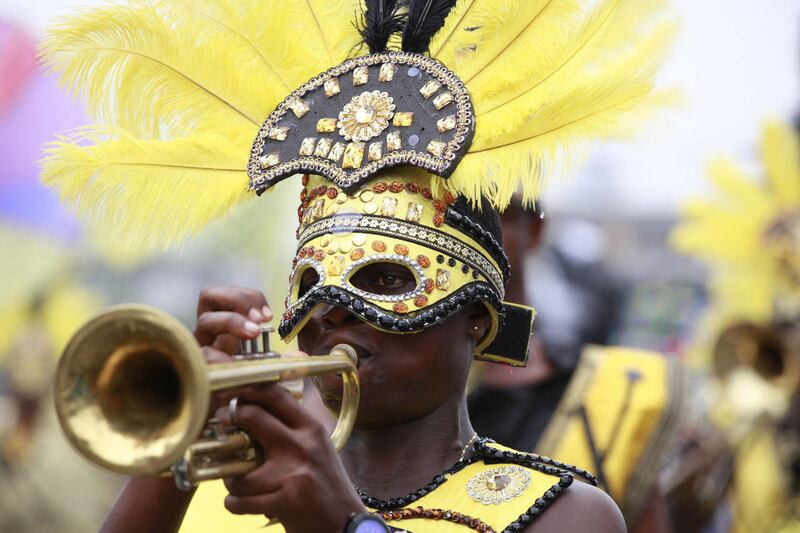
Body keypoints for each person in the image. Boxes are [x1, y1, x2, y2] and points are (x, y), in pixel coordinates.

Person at [41, 0, 674, 530]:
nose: (333, 308)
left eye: (385, 278)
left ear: (478, 319)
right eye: (310, 283)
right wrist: (184, 428)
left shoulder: (564, 514)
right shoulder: (227, 495)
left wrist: (344, 523)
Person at [469, 202, 684, 532]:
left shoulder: (611, 400)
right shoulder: (369, 392)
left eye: (490, 212)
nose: (459, 233)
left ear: (534, 229)